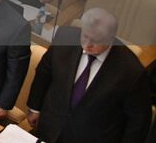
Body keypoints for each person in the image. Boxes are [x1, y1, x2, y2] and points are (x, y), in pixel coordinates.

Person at [26, 9, 151, 142]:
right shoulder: (65, 38)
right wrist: (35, 107)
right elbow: (44, 73)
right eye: (85, 36)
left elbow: (138, 121)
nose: (87, 44)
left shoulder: (131, 71)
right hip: (50, 128)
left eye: (96, 40)